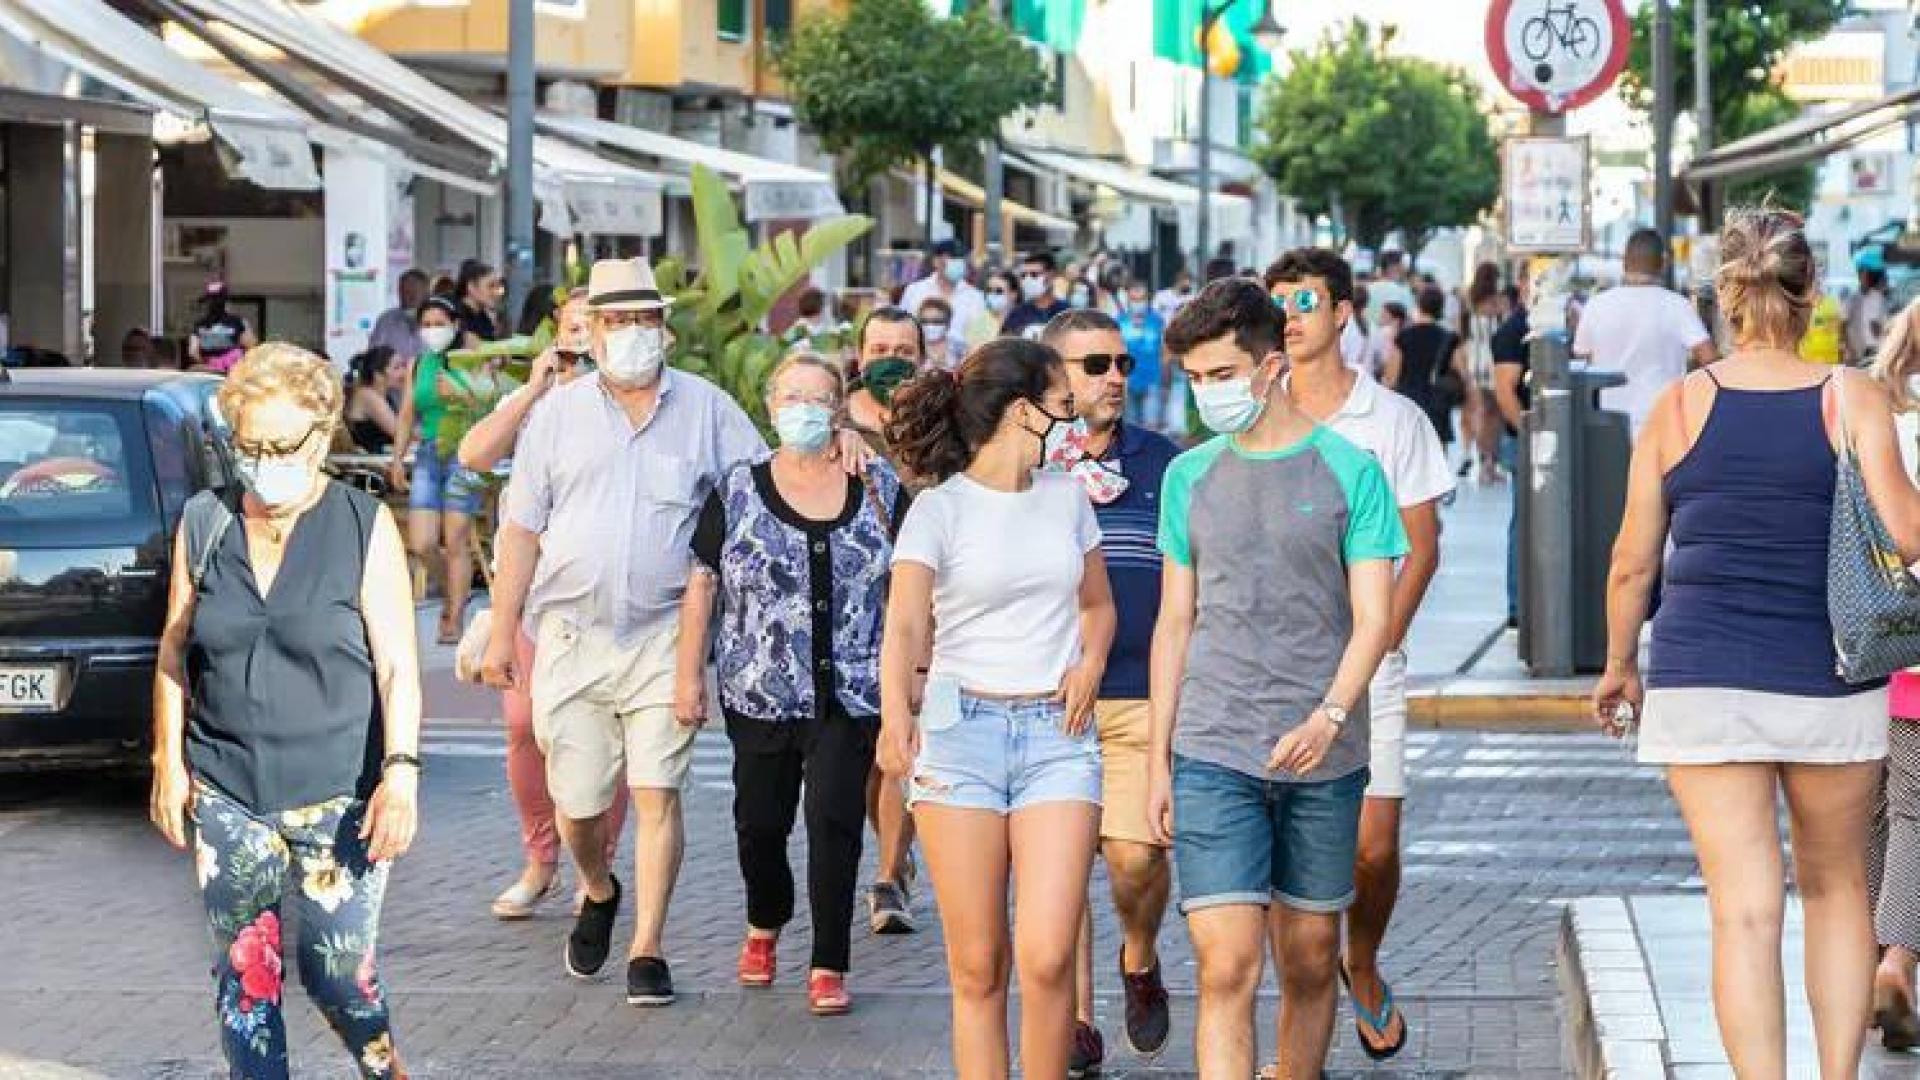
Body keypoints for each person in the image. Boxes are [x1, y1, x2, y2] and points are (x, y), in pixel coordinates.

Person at [1594, 207, 1920, 1079]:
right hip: (1830, 674)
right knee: (1837, 888)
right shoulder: (1852, 396)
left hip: (1702, 677)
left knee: (1742, 911)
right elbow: (1907, 532)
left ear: (1724, 299)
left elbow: (1632, 562)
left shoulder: (1677, 405)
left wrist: (1621, 663)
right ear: (1811, 292)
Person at [483, 258, 769, 1008]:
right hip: (570, 635)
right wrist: (498, 633)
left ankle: (649, 948)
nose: (634, 333)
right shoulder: (557, 415)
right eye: (618, 320)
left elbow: (762, 491)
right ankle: (597, 886)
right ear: (595, 330)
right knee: (577, 804)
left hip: (664, 634)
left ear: (665, 329)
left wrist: (838, 446)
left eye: (646, 319)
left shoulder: (707, 411)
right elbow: (520, 530)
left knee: (657, 792)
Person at [1146, 277, 1406, 1079]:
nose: (1205, 393)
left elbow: (1374, 620)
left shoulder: (1349, 471)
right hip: (1213, 747)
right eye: (1192, 379)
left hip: (1322, 755)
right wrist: (1159, 758)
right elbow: (1175, 622)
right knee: (1225, 963)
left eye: (1219, 375)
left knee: (1308, 954)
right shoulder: (1187, 477)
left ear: (1268, 365)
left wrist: (1328, 715)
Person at [149, 343, 422, 1080]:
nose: (266, 461)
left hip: (341, 790)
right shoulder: (205, 523)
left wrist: (401, 773)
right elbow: (175, 652)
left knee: (337, 973)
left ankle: (385, 1066)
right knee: (248, 977)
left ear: (323, 430)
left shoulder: (364, 526)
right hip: (229, 787)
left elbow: (397, 664)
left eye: (284, 445)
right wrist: (168, 763)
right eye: (251, 446)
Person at [878, 336, 1116, 1080]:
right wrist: (895, 717)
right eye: (1062, 405)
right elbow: (906, 625)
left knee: (1047, 957)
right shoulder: (938, 512)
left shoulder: (1067, 499)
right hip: (959, 737)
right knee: (978, 966)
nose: (1071, 419)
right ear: (1024, 412)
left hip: (1058, 736)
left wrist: (1091, 663)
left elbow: (1099, 604)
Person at [676, 353, 911, 1016]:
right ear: (771, 405)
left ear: (840, 409)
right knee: (760, 824)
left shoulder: (878, 485)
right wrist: (687, 676)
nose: (804, 408)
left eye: (819, 397)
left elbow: (913, 583)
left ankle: (829, 962)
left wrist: (914, 673)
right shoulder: (739, 489)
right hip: (759, 691)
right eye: (791, 396)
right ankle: (765, 919)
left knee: (834, 821)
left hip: (852, 692)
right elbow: (703, 583)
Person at [1268, 249, 1453, 1067]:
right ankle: (1298, 1011)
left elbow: (1424, 544)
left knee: (1373, 845)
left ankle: (1362, 958)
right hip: (1272, 662)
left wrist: (1384, 635)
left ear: (1343, 312)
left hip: (1370, 663)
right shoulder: (1253, 413)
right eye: (1278, 302)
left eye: (1305, 300)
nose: (1291, 314)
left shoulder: (1393, 420)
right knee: (1282, 848)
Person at [454, 288, 632, 919]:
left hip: (601, 600)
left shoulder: (628, 404)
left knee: (603, 739)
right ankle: (540, 859)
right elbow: (473, 456)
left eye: (595, 328)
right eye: (572, 328)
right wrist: (533, 391)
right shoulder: (534, 401)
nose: (581, 340)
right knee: (524, 725)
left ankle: (598, 862)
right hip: (529, 600)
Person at [1041, 311, 1183, 1075]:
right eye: (1095, 364)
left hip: (1138, 696)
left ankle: (1139, 954)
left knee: (1133, 860)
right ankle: (1079, 1024)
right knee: (1058, 876)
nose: (1115, 379)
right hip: (1047, 700)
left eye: (1124, 365)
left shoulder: (1164, 462)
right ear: (1054, 374)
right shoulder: (1027, 464)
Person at [1870, 302, 1920, 1049]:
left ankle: (1879, 960)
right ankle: (1896, 959)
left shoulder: (1881, 422)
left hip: (1880, 635)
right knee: (1914, 810)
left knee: (1883, 806)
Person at [387, 296, 484, 646]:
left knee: (456, 537)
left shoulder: (471, 358)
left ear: (455, 325)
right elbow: (407, 413)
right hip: (428, 452)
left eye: (438, 323)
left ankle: (453, 615)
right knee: (423, 542)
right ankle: (453, 588)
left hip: (465, 450)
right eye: (425, 325)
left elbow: (487, 400)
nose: (432, 331)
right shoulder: (419, 364)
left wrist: (461, 390)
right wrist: (398, 458)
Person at [1572, 230, 1716, 438]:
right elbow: (1710, 359)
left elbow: (1580, 363)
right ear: (1663, 263)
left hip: (1608, 426)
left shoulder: (1596, 306)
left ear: (1624, 262)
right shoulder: (1677, 306)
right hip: (1664, 425)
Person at [1490, 285, 1531, 629]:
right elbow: (1504, 390)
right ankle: (1517, 603)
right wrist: (1527, 434)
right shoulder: (1512, 332)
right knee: (1523, 522)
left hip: (1532, 439)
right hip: (1523, 442)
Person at [1384, 285, 1467, 454]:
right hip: (1438, 404)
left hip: (1409, 404)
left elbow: (1391, 377)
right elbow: (1462, 372)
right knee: (1438, 458)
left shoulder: (1404, 337)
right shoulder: (1449, 338)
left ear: (1419, 305)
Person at [845, 307, 924, 463]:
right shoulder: (832, 416)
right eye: (879, 350)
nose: (890, 362)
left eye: (905, 351)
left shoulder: (941, 418)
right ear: (860, 357)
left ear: (921, 359)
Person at [901, 239, 988, 354]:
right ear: (936, 261)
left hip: (961, 363)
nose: (958, 262)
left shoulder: (975, 297)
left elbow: (980, 338)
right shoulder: (915, 291)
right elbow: (903, 327)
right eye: (952, 257)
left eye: (961, 258)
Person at [1461, 261, 1505, 481]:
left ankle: (1482, 459)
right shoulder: (1496, 303)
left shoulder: (1469, 302)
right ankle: (1489, 464)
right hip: (1493, 362)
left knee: (1482, 413)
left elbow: (1462, 337)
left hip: (1474, 363)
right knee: (1495, 416)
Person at [1118, 281, 1168, 429]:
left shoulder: (1157, 320)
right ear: (1128, 300)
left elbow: (1164, 349)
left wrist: (1166, 376)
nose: (1138, 303)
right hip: (1127, 380)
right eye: (1134, 299)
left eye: (1141, 299)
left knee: (1150, 426)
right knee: (1130, 427)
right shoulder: (1120, 321)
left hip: (1152, 380)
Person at [188, 281, 257, 373]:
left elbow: (193, 352)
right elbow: (251, 347)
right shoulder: (238, 322)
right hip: (233, 371)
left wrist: (206, 364)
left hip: (210, 371)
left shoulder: (200, 324)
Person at [345, 347, 403, 454]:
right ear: (378, 375)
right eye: (396, 368)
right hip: (369, 463)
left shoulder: (385, 396)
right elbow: (400, 432)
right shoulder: (367, 395)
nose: (403, 372)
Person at [1003, 252, 1070, 340]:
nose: (1028, 279)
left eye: (1034, 274)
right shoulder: (1017, 314)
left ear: (1051, 276)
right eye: (1024, 275)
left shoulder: (1067, 312)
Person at [369, 269, 429, 362]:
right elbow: (374, 355)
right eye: (405, 290)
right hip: (395, 375)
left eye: (414, 290)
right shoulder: (386, 320)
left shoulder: (438, 320)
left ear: (426, 293)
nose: (409, 295)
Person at [1848, 250, 1892, 367]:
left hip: (1877, 353)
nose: (1861, 276)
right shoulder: (1853, 299)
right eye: (1860, 272)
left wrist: (1882, 331)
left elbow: (1885, 328)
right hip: (1858, 354)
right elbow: (1845, 325)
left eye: (1864, 273)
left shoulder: (1881, 300)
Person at [452, 260, 505, 347]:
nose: (497, 292)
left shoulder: (484, 317)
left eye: (498, 286)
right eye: (491, 286)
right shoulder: (456, 316)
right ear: (471, 287)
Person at [1365, 252, 1414, 328]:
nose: (1405, 269)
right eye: (1402, 265)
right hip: (1392, 337)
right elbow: (1410, 320)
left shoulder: (1366, 289)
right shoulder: (1403, 292)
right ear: (1395, 267)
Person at [917, 296, 962, 370]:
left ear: (948, 324)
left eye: (937, 321)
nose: (930, 326)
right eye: (924, 321)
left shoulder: (960, 348)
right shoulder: (914, 348)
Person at [972, 270, 1016, 345]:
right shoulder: (979, 322)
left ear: (1013, 294)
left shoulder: (1021, 321)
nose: (993, 294)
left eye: (999, 291)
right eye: (989, 290)